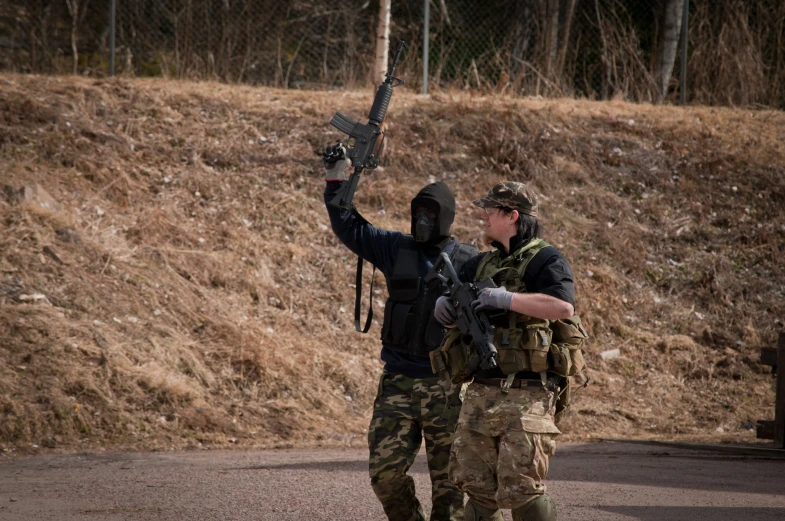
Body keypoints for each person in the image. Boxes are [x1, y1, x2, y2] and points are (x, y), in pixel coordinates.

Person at [323, 147, 476, 521]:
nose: (422, 220)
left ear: (446, 218)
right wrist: (334, 179)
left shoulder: (471, 261)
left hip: (445, 386)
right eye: (417, 213)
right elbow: (350, 226)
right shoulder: (395, 247)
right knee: (385, 476)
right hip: (397, 382)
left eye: (431, 214)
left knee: (450, 489)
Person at [433, 181, 578, 521]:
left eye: (491, 210)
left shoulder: (546, 259)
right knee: (478, 490)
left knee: (522, 492)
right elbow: (459, 305)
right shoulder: (482, 263)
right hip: (482, 389)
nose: (483, 215)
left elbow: (562, 307)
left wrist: (507, 298)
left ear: (513, 216)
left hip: (527, 392)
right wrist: (447, 310)